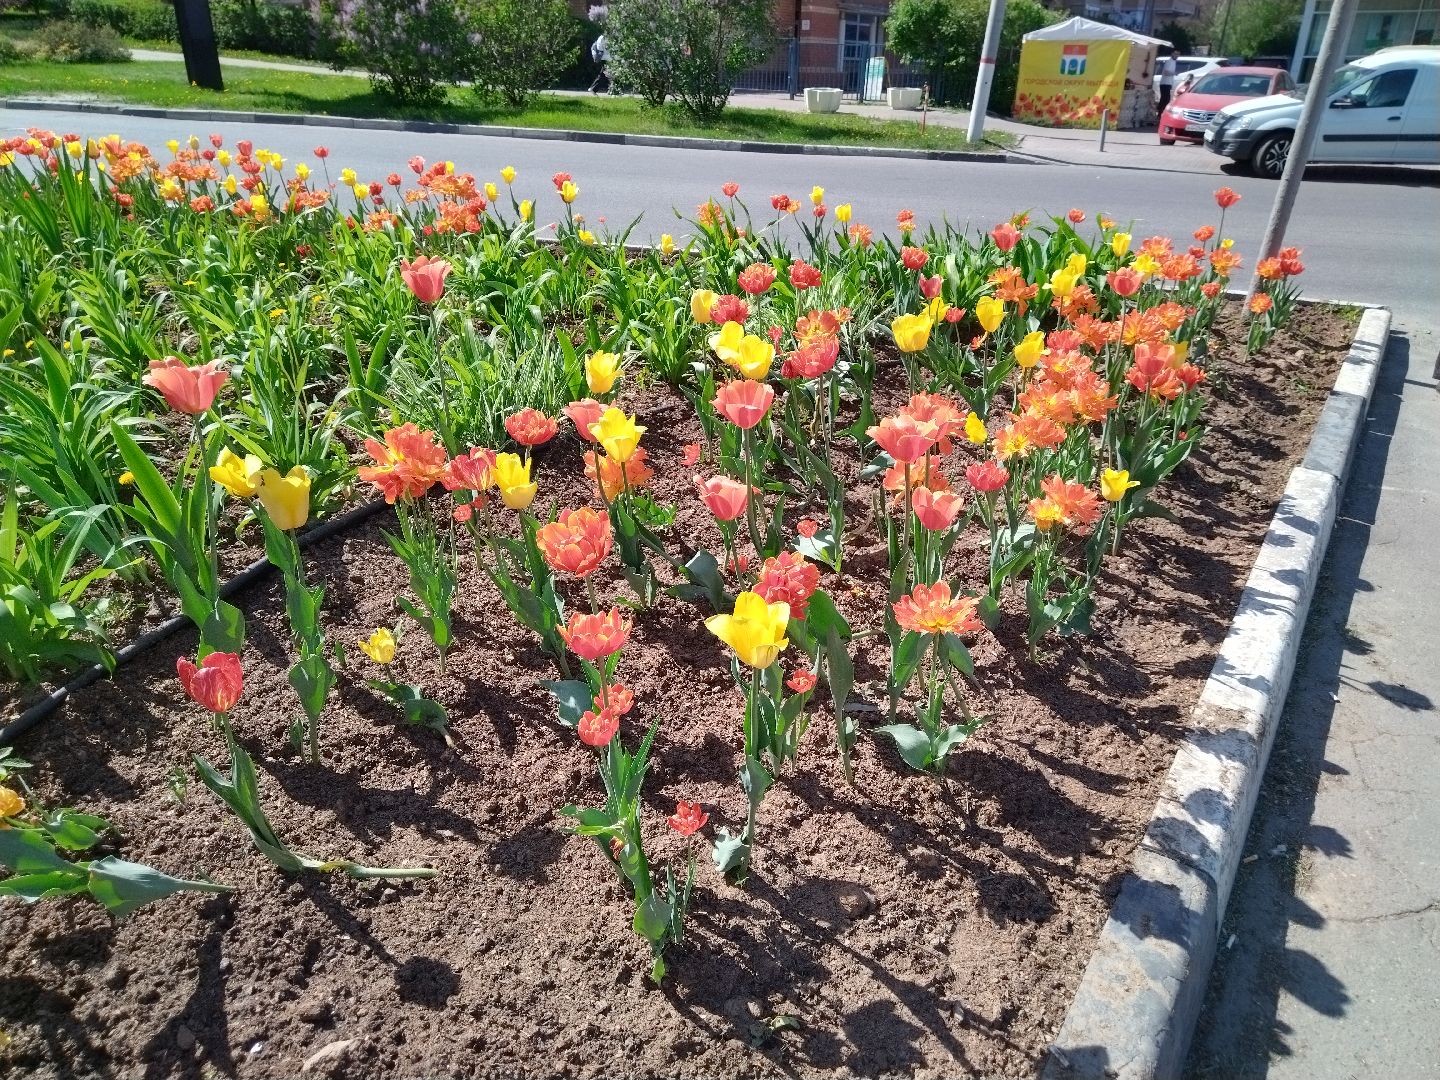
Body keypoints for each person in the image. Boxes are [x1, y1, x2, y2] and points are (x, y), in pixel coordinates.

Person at [1157, 49, 1178, 113]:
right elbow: (1166, 72)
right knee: (1165, 99)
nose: (1177, 55)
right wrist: (1174, 73)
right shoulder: (1169, 62)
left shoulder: (1174, 62)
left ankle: (1161, 112)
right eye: (1175, 54)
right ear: (1172, 54)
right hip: (1164, 83)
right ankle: (1160, 113)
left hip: (1168, 83)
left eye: (1178, 54)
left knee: (1166, 99)